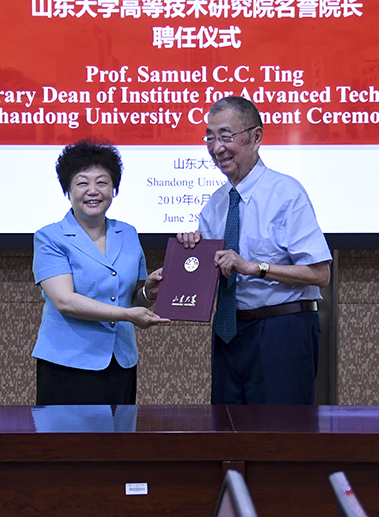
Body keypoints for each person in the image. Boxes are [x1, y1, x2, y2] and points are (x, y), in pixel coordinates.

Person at [178, 96, 331, 405]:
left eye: (226, 136)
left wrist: (254, 267)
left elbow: (320, 274)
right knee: (227, 428)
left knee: (281, 430)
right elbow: (212, 277)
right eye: (210, 137)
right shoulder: (215, 204)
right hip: (229, 332)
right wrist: (189, 255)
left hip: (282, 331)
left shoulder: (286, 194)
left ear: (256, 137)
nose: (217, 148)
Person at [32, 139, 168, 405]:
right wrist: (128, 315)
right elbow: (65, 301)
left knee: (120, 432)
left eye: (102, 182)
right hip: (68, 363)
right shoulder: (50, 237)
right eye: (82, 183)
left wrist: (148, 292)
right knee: (68, 434)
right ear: (67, 190)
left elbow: (131, 299)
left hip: (121, 361)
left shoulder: (127, 233)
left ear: (114, 189)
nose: (93, 191)